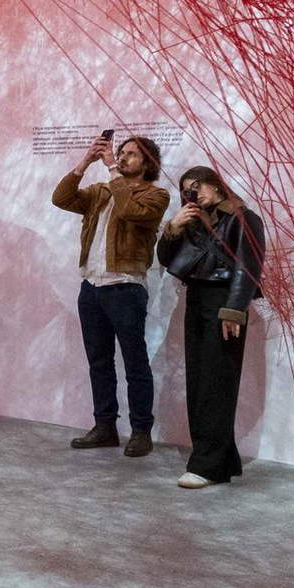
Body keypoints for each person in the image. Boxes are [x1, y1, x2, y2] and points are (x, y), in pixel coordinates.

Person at [51, 133, 169, 457]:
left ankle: (141, 431)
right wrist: (86, 161)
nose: (124, 157)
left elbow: (131, 211)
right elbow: (60, 198)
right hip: (91, 286)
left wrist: (113, 170)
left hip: (125, 287)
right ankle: (105, 426)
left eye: (132, 154)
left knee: (135, 363)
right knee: (99, 362)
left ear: (148, 163)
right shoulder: (100, 192)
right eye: (122, 152)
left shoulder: (155, 195)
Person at [158, 165, 266, 489]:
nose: (195, 193)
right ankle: (223, 461)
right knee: (200, 381)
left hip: (224, 303)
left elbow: (248, 267)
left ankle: (205, 465)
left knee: (217, 384)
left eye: (200, 186)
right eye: (188, 190)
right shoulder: (192, 222)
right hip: (196, 301)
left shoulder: (243, 218)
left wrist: (233, 310)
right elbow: (168, 260)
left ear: (217, 186)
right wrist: (172, 229)